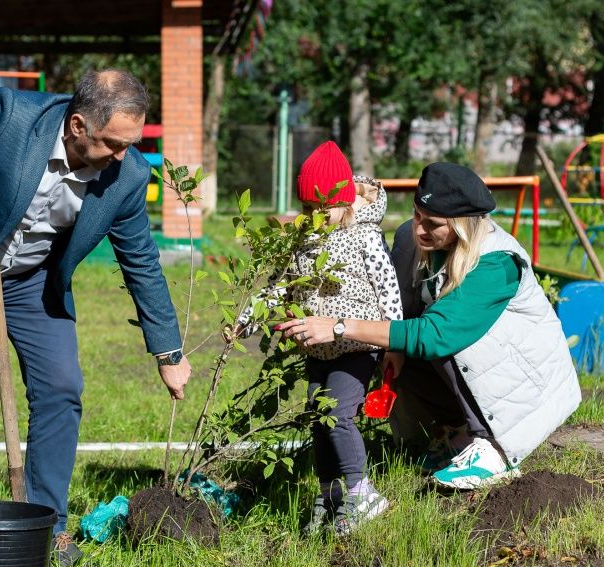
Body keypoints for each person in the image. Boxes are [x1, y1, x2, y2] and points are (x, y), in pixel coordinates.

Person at [0, 70, 191, 566]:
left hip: (29, 276)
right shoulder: (7, 121)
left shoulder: (129, 176)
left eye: (130, 144)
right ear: (76, 125)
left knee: (61, 386)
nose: (123, 157)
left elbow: (141, 260)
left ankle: (47, 524)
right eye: (114, 144)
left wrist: (169, 351)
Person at [277, 162, 580, 490]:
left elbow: (436, 335)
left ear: (462, 226)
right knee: (396, 342)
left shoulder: (496, 263)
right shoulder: (412, 238)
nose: (419, 229)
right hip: (474, 367)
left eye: (432, 224)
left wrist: (338, 327)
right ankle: (454, 432)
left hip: (524, 383)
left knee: (435, 336)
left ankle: (493, 449)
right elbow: (394, 309)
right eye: (417, 215)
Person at [229, 141, 402, 535]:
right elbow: (277, 289)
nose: (314, 218)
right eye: (307, 209)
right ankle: (331, 496)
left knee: (338, 414)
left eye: (322, 210)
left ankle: (362, 493)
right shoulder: (300, 241)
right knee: (318, 419)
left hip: (358, 346)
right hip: (318, 351)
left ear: (343, 203)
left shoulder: (365, 237)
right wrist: (244, 322)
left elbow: (388, 290)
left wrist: (394, 347)